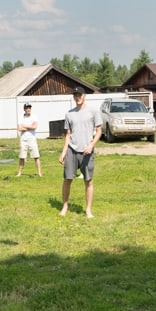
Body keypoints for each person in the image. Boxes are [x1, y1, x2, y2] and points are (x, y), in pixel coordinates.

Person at [59, 87, 103, 218]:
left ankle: (88, 210)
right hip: (71, 150)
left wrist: (91, 145)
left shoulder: (93, 111)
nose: (77, 97)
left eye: (79, 95)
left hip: (86, 151)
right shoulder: (69, 114)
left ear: (84, 96)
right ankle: (65, 206)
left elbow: (99, 131)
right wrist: (63, 152)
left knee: (88, 181)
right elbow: (68, 134)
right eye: (75, 95)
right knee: (67, 179)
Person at [15, 102, 42, 177]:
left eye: (29, 108)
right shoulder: (21, 117)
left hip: (32, 139)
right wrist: (30, 126)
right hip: (23, 139)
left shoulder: (34, 116)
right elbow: (19, 128)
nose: (28, 109)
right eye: (27, 108)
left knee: (36, 156)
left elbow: (35, 127)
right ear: (24, 109)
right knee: (22, 156)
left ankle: (39, 173)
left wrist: (25, 126)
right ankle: (19, 173)